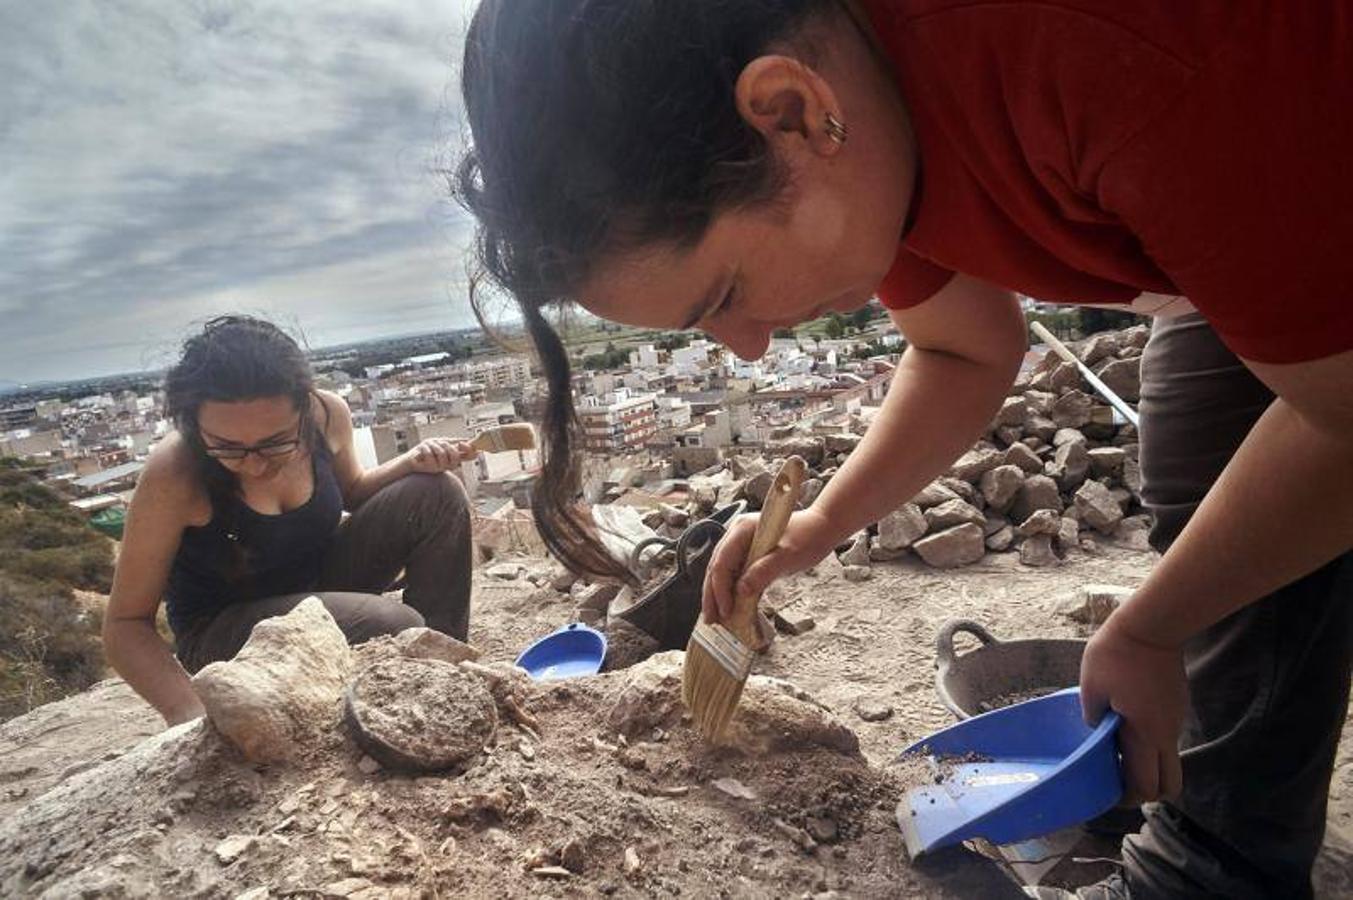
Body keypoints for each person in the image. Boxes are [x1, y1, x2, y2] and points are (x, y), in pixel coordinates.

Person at [452, 2, 1352, 896]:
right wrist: (820, 521)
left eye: (725, 291)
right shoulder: (867, 132)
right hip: (1232, 235)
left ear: (790, 114)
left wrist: (1152, 624)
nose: (750, 347)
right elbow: (963, 346)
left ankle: (1213, 871)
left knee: (1237, 542)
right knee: (1211, 502)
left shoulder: (1105, 53)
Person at [104, 316, 475, 727]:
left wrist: (412, 463)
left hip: (318, 583)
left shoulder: (327, 414)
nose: (255, 464)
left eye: (276, 442)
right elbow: (125, 624)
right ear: (195, 426)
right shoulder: (175, 472)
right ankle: (411, 679)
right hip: (225, 628)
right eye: (228, 448)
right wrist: (190, 711)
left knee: (437, 494)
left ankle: (444, 667)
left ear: (304, 406)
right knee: (391, 623)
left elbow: (352, 491)